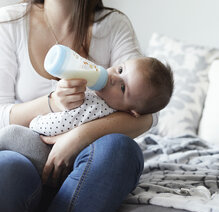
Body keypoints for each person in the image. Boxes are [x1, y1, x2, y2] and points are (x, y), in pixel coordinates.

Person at [0, 0, 160, 212]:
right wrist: (51, 103)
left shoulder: (112, 26)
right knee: (6, 167)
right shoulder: (9, 23)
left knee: (121, 150)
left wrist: (78, 137)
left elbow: (146, 114)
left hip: (88, 164)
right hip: (26, 158)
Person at [0, 56, 174, 175]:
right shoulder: (92, 88)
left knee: (10, 135)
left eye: (123, 88)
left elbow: (153, 115)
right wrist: (55, 99)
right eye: (120, 69)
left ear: (131, 111)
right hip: (38, 139)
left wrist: (78, 135)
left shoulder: (104, 111)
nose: (113, 78)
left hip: (48, 152)